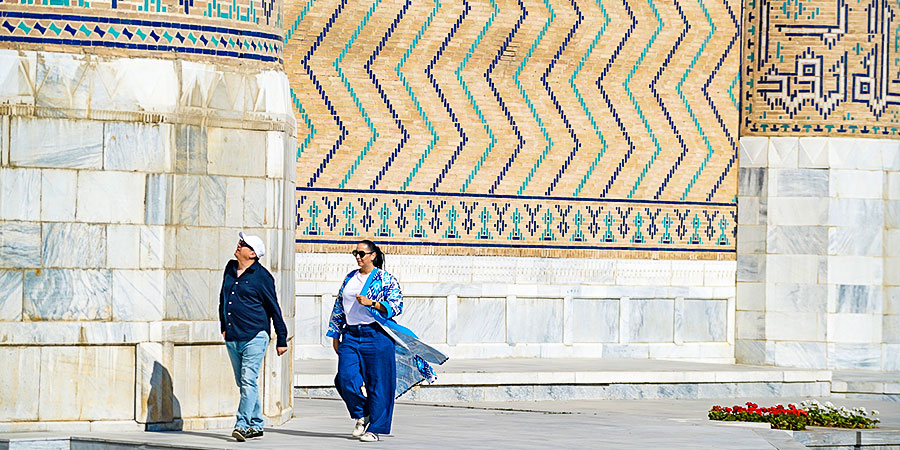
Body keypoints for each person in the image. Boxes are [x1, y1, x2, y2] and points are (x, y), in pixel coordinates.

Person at [327, 240, 448, 442]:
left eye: (362, 253)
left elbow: (397, 304)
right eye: (355, 253)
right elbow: (339, 305)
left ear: (373, 255)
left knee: (379, 383)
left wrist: (373, 303)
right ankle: (363, 412)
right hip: (351, 335)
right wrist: (334, 334)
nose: (358, 257)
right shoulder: (350, 278)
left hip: (376, 335)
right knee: (344, 378)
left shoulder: (385, 279)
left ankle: (375, 429)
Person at [219, 232, 288, 442]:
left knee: (248, 380)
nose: (238, 245)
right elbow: (223, 299)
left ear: (252, 254)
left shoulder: (262, 277)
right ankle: (257, 424)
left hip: (255, 336)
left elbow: (274, 308)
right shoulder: (230, 268)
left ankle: (242, 424)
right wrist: (223, 326)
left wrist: (282, 338)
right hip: (233, 335)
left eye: (243, 244)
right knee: (244, 382)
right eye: (240, 242)